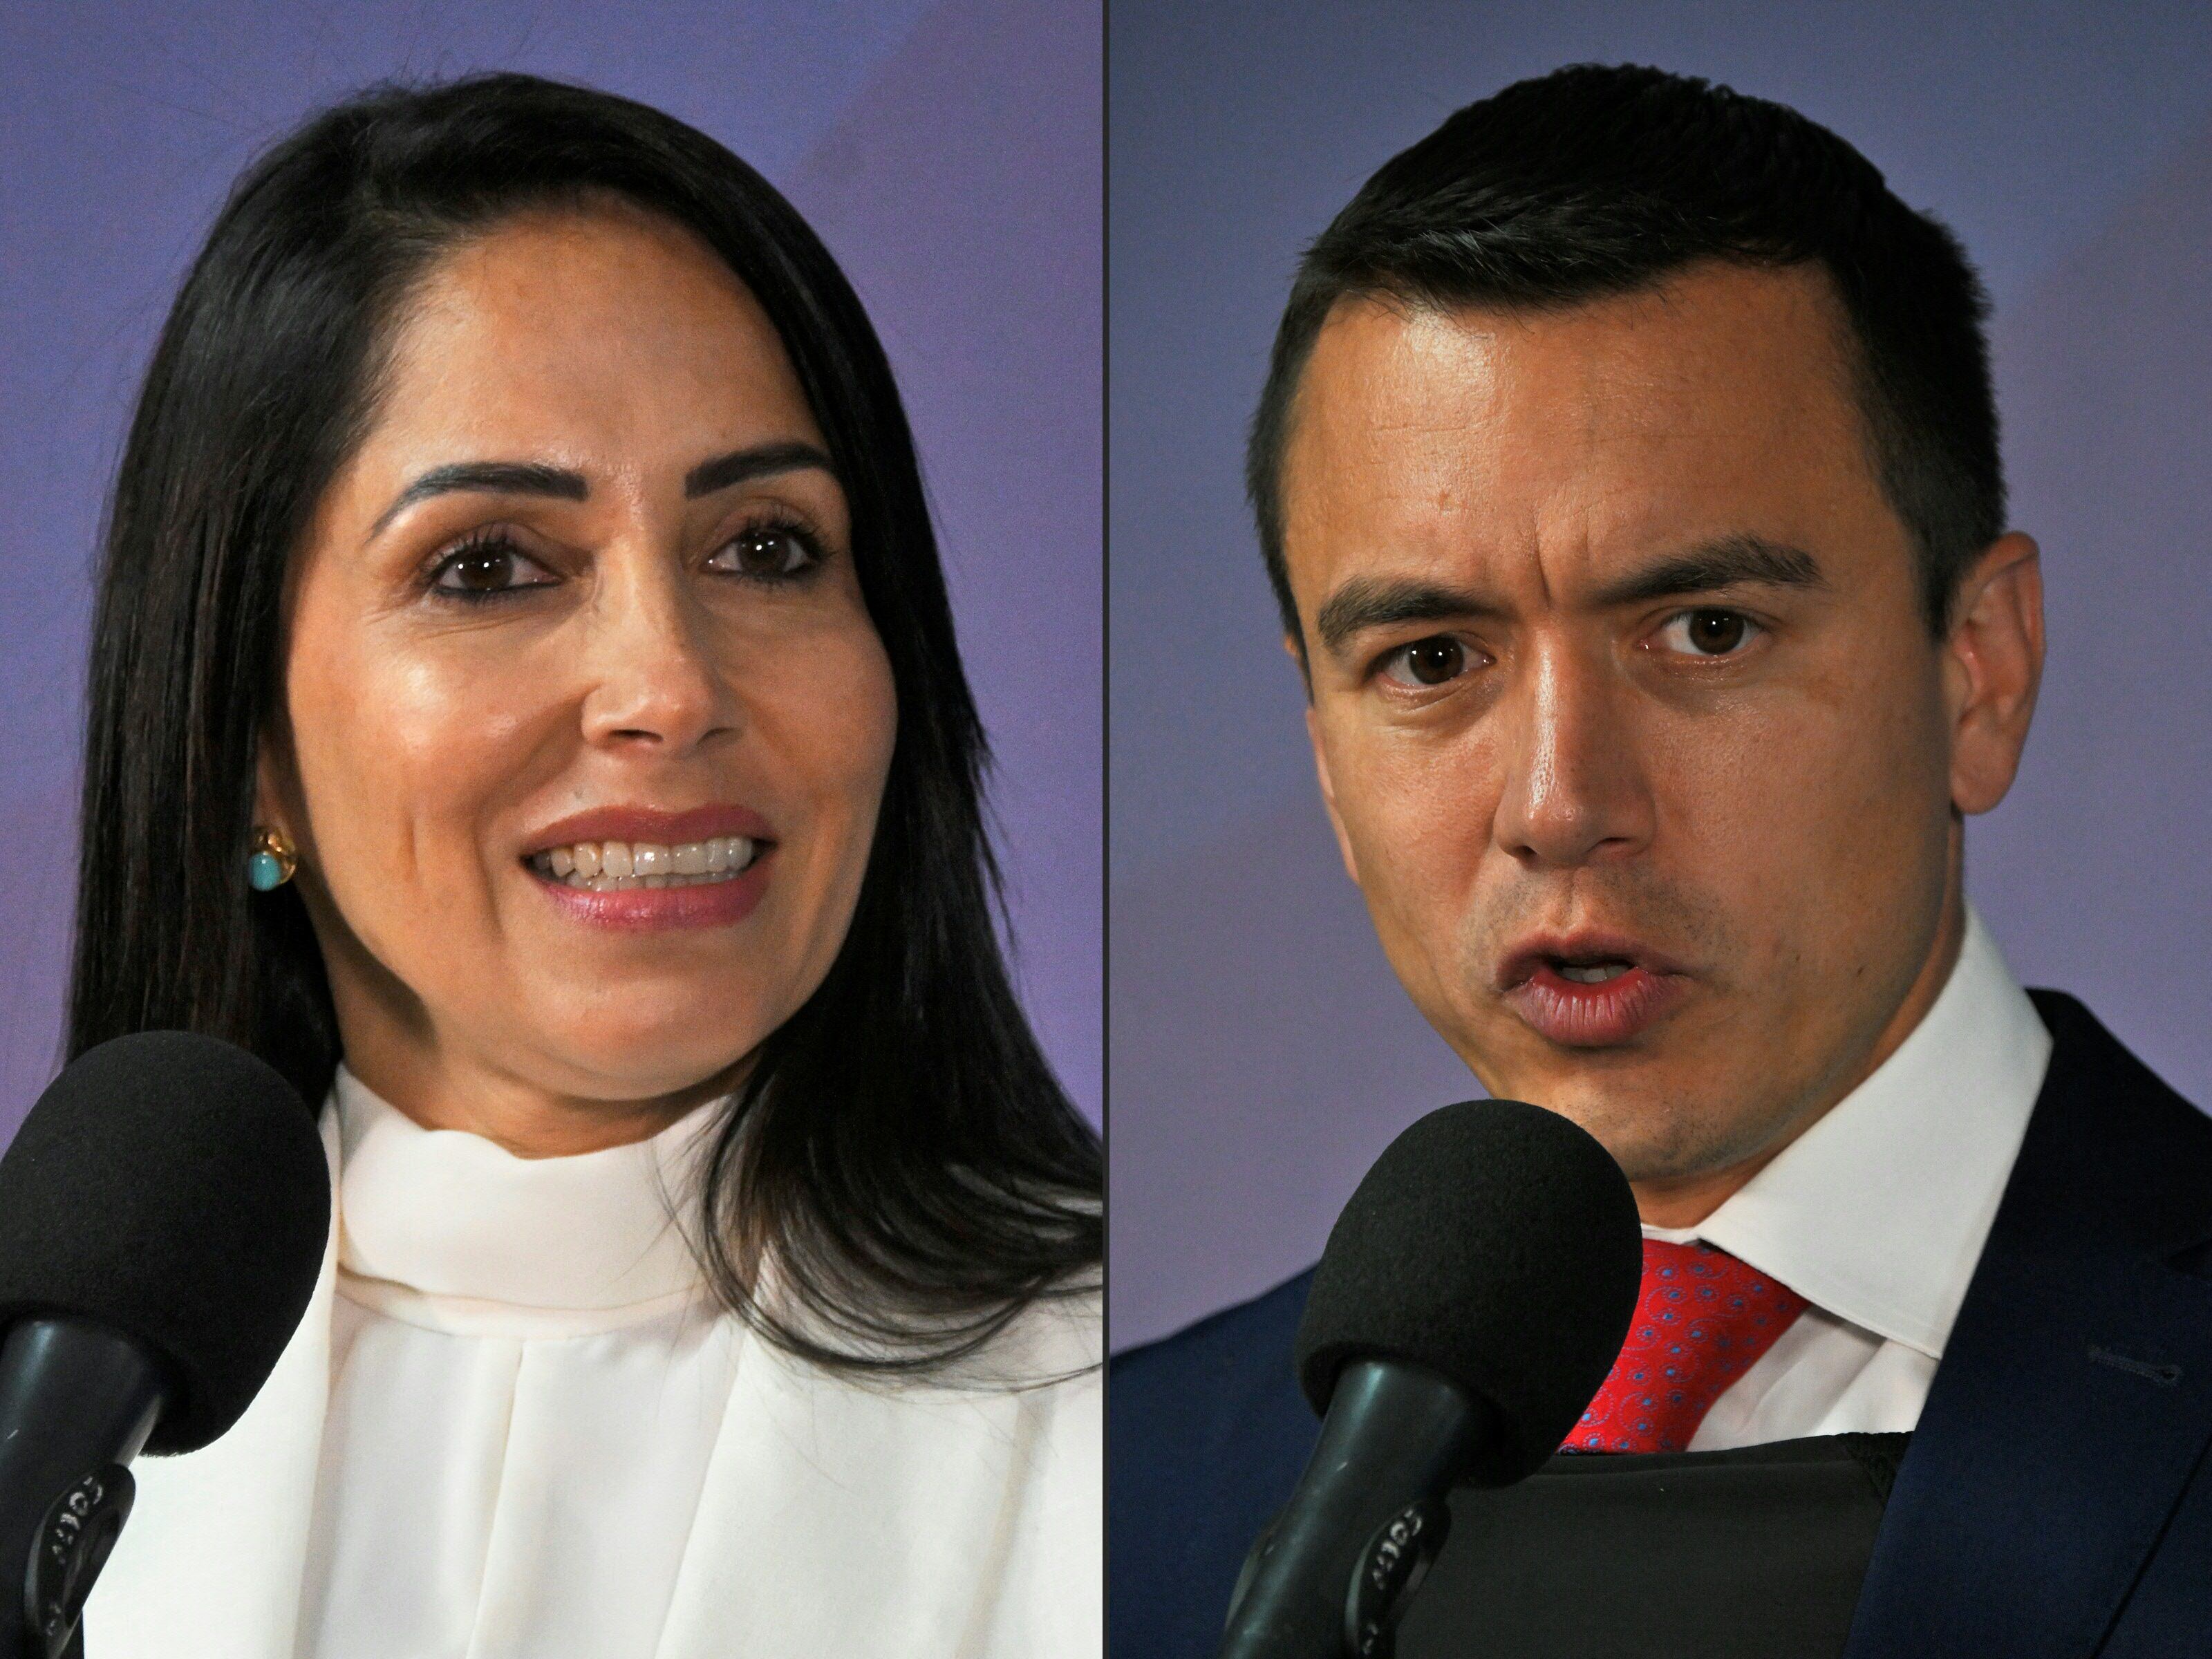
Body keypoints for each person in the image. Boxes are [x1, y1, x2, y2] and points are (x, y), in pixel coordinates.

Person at [1112, 63, 2211, 1657]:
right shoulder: (1123, 1487)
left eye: (1704, 631)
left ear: (1978, 668)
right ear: (1325, 765)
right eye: (1429, 660)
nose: (1559, 801)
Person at [73, 72, 1101, 1658]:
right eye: (489, 566)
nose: (670, 686)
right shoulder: (46, 1431)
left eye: (766, 547)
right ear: (250, 742)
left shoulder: (1162, 1422)